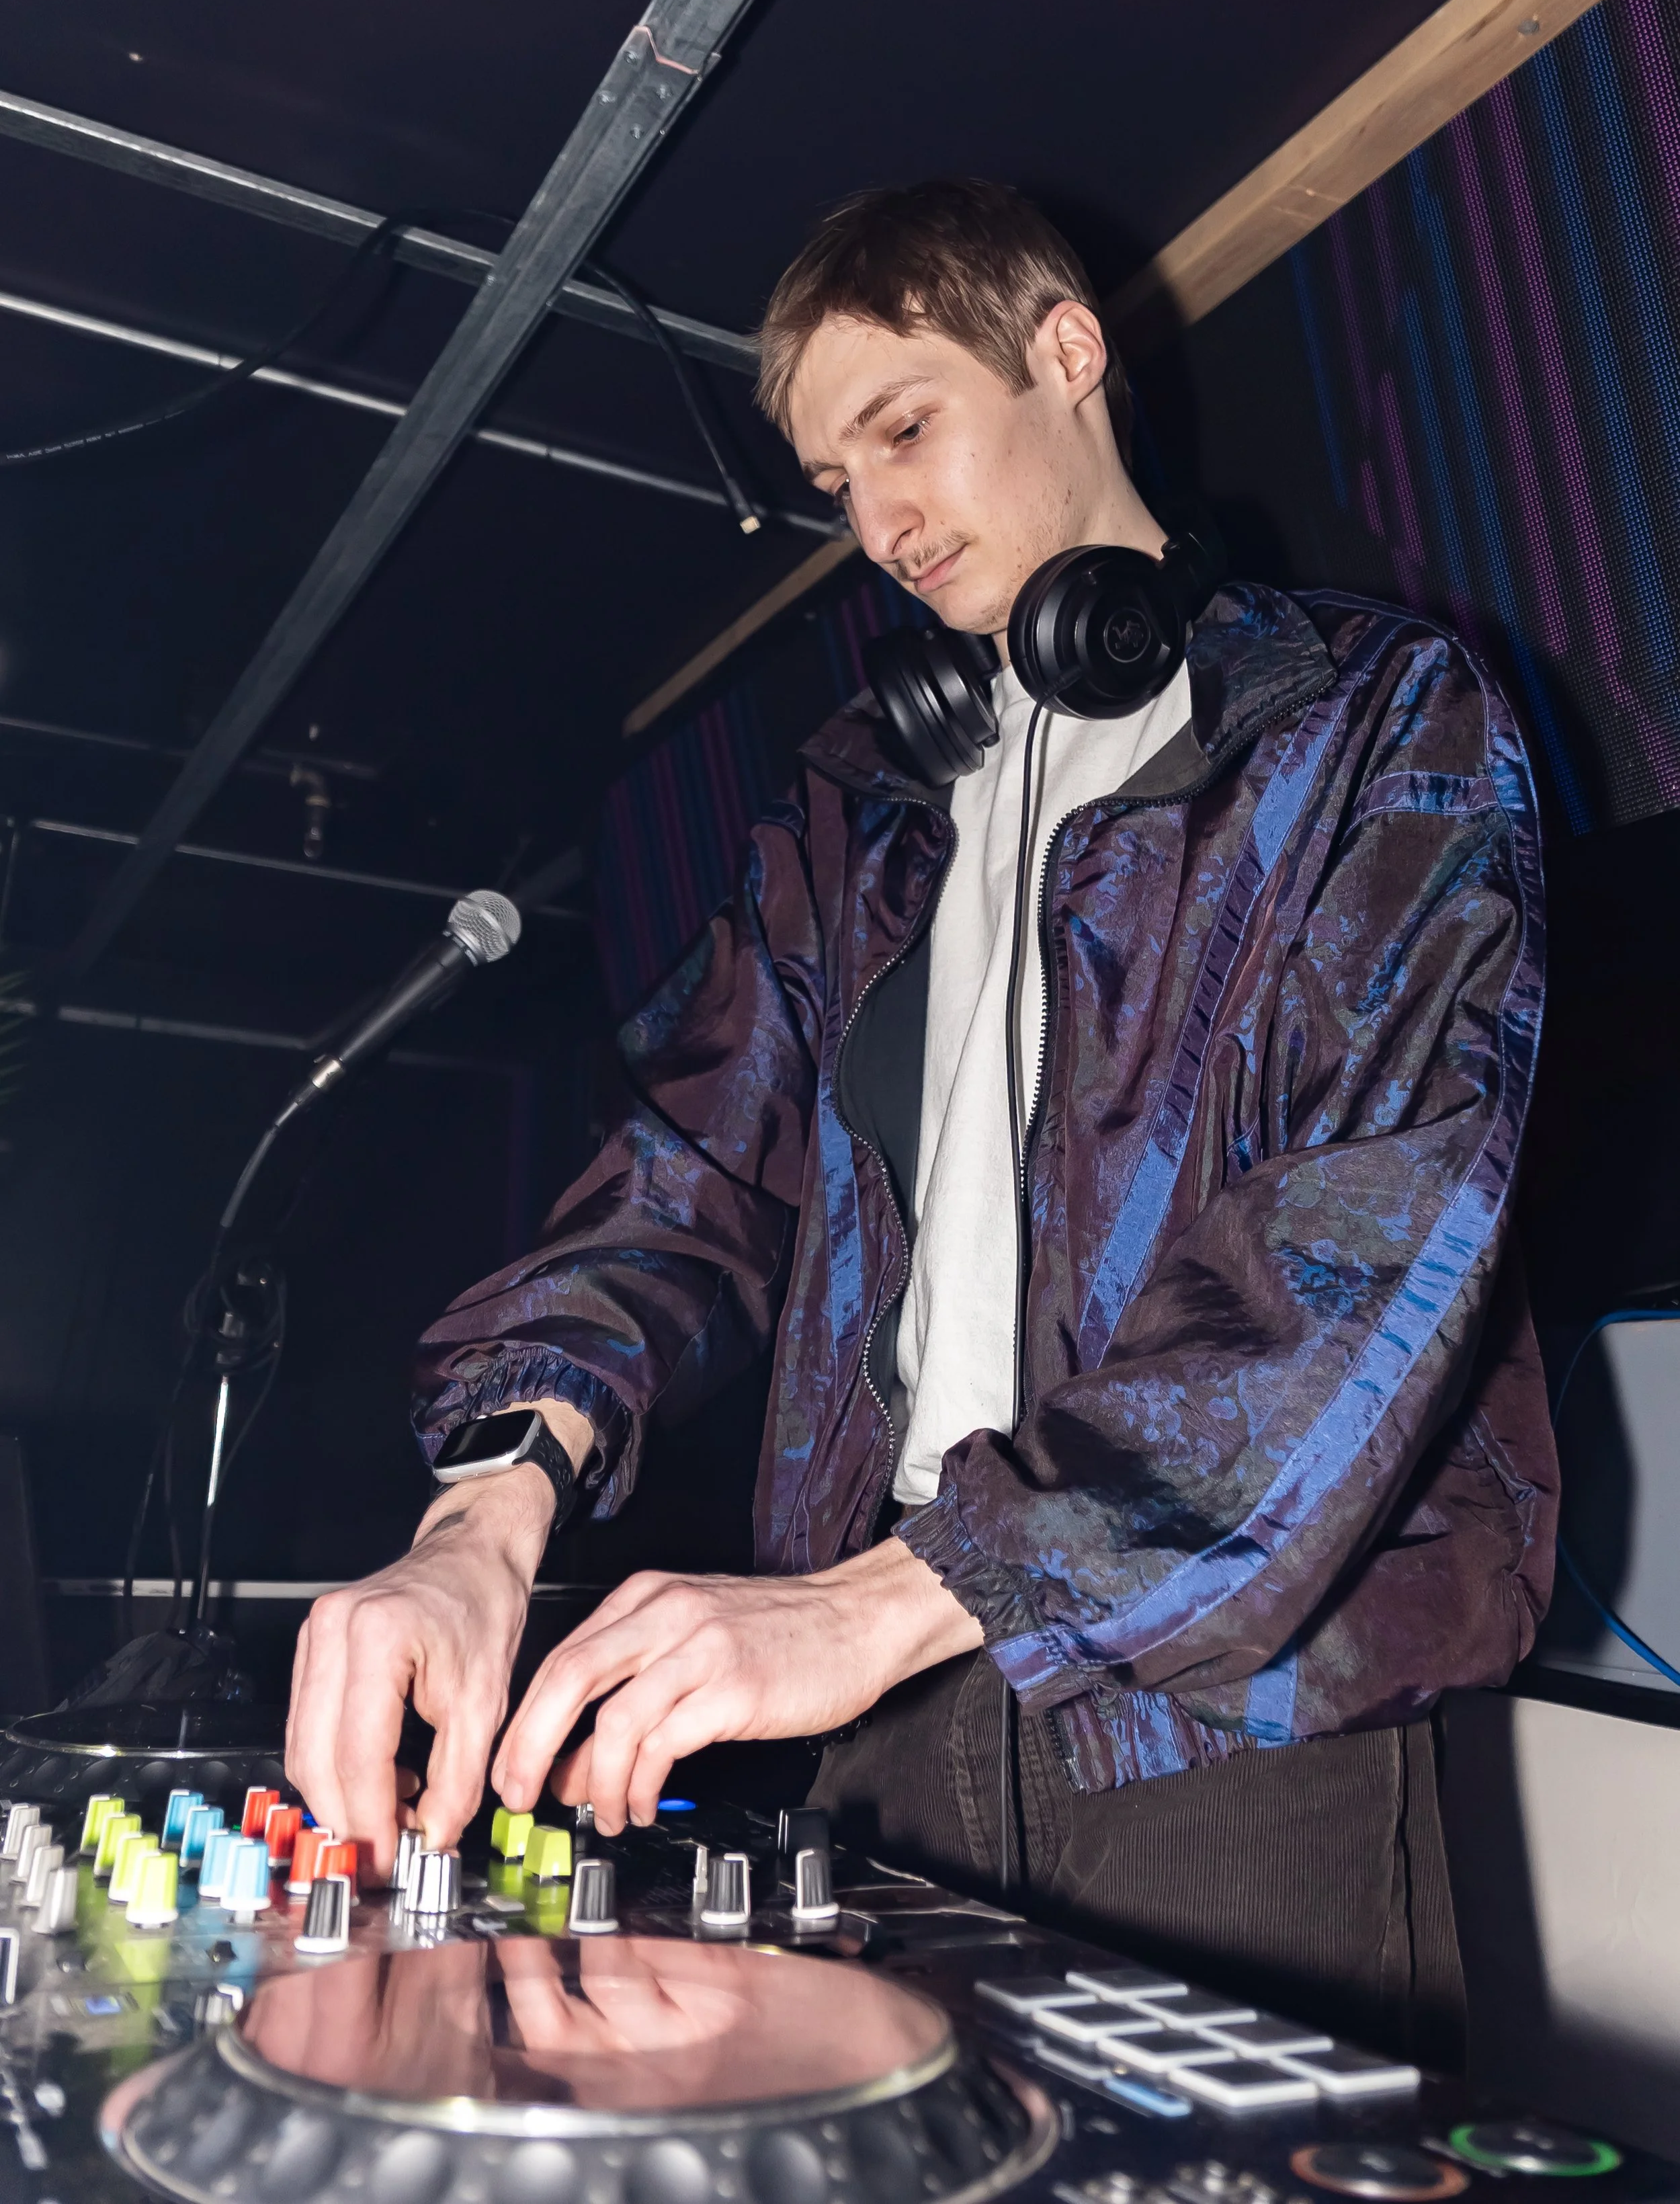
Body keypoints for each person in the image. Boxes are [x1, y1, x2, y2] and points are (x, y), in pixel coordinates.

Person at [286, 179, 1556, 2062]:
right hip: (876, 1721)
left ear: (1064, 351)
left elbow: (1361, 1249)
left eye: (901, 427)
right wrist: (489, 1501)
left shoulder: (1371, 725)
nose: (874, 522)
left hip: (1229, 1710)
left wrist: (922, 1587)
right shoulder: (859, 807)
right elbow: (687, 1167)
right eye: (830, 481)